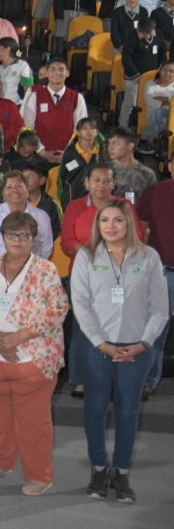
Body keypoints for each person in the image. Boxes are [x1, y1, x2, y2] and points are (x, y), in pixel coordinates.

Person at [70, 200, 169, 504]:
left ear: (129, 224)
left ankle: (122, 472)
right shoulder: (86, 257)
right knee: (95, 409)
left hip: (136, 349)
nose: (110, 226)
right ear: (97, 226)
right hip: (96, 347)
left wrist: (142, 345)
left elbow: (160, 309)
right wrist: (101, 343)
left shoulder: (149, 257)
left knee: (128, 412)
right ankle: (99, 469)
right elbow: (81, 305)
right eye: (104, 221)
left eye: (117, 220)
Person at [0, 211, 69, 496]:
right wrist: (0, 340)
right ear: (3, 238)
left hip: (32, 358)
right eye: (12, 235)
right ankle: (4, 460)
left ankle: (39, 474)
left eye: (25, 235)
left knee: (34, 422)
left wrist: (18, 338)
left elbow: (58, 310)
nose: (19, 240)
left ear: (34, 239)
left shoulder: (46, 270)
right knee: (2, 418)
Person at [137, 178, 174, 399]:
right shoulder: (154, 192)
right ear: (170, 165)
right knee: (157, 329)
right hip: (163, 272)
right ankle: (148, 380)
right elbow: (141, 230)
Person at [0, 171, 53, 261]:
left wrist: (32, 268)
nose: (14, 190)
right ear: (3, 194)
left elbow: (46, 248)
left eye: (19, 186)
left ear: (27, 191)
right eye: (9, 187)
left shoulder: (42, 217)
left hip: (31, 271)